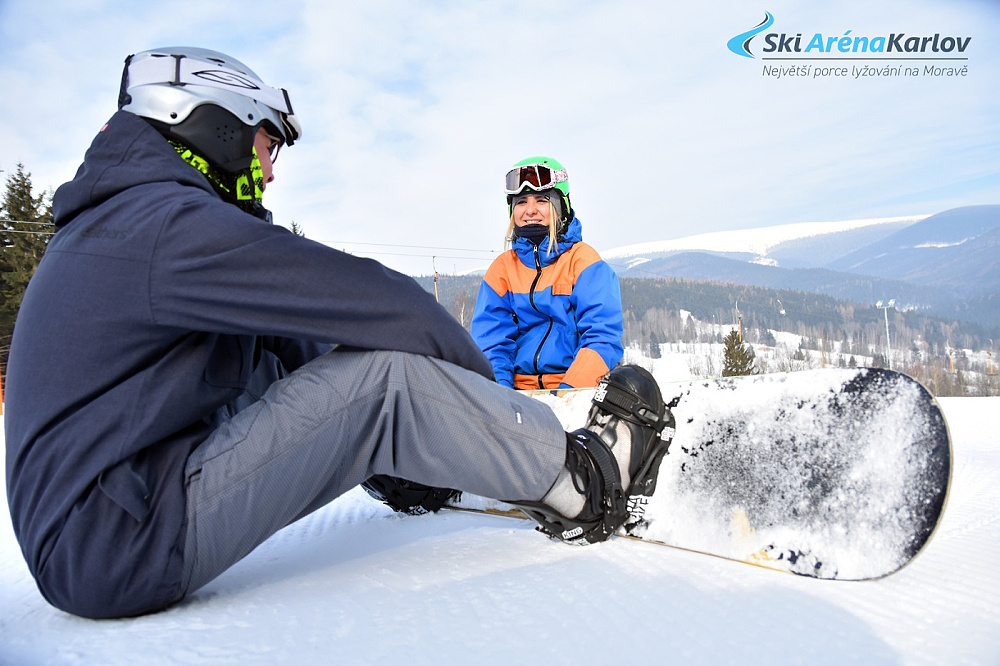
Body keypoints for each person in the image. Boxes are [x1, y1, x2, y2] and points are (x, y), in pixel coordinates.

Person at [3, 47, 669, 620]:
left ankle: (401, 465)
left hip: (113, 514)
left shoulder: (130, 219)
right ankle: (584, 482)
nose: (268, 168)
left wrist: (423, 438)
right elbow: (386, 304)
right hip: (118, 542)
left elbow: (294, 345)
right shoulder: (160, 225)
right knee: (386, 382)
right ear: (211, 123)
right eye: (265, 142)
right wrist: (480, 404)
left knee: (261, 353)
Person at [471, 157, 624, 390]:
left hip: (575, 390)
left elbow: (601, 339)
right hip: (517, 395)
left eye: (542, 200)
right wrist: (502, 400)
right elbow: (491, 345)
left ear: (560, 206)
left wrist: (567, 398)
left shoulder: (583, 262)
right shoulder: (501, 271)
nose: (530, 210)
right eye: (521, 202)